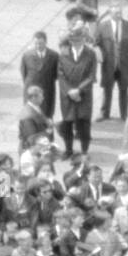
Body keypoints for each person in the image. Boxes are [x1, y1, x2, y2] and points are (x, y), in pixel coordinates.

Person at [56, 27, 96, 158]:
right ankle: (68, 150)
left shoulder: (90, 54)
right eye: (73, 40)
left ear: (84, 40)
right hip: (68, 96)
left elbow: (91, 76)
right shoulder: (64, 55)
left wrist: (79, 90)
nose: (76, 43)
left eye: (78, 40)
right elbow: (61, 75)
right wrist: (69, 91)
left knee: (84, 125)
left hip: (83, 96)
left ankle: (84, 151)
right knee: (67, 124)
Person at [97, 0, 128, 122]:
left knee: (124, 90)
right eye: (115, 13)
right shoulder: (103, 26)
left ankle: (124, 114)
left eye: (119, 12)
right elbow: (97, 42)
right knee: (107, 89)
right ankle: (104, 113)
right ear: (110, 13)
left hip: (124, 64)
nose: (118, 15)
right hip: (109, 64)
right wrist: (101, 56)